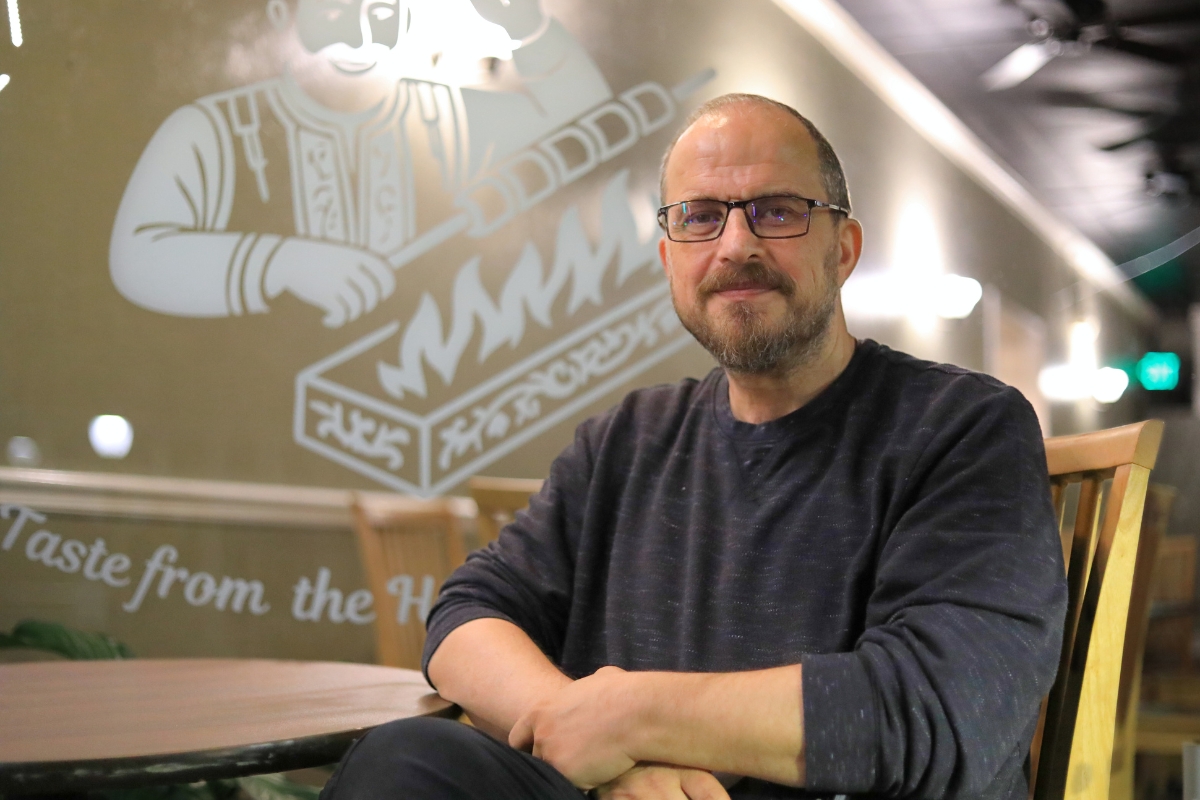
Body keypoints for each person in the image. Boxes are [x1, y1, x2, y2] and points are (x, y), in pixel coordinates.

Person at [318, 93, 1067, 800]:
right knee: (406, 761)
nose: (736, 244)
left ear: (843, 249)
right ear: (669, 257)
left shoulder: (964, 425)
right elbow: (470, 611)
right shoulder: (627, 438)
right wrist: (595, 747)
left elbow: (937, 701)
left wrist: (628, 717)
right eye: (701, 217)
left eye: (778, 211)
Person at [109, 0, 610, 327]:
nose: (362, 29)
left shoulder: (441, 116)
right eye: (337, 8)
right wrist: (281, 263)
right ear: (283, 13)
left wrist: (524, 26)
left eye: (382, 11)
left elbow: (582, 112)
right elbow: (138, 259)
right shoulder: (213, 130)